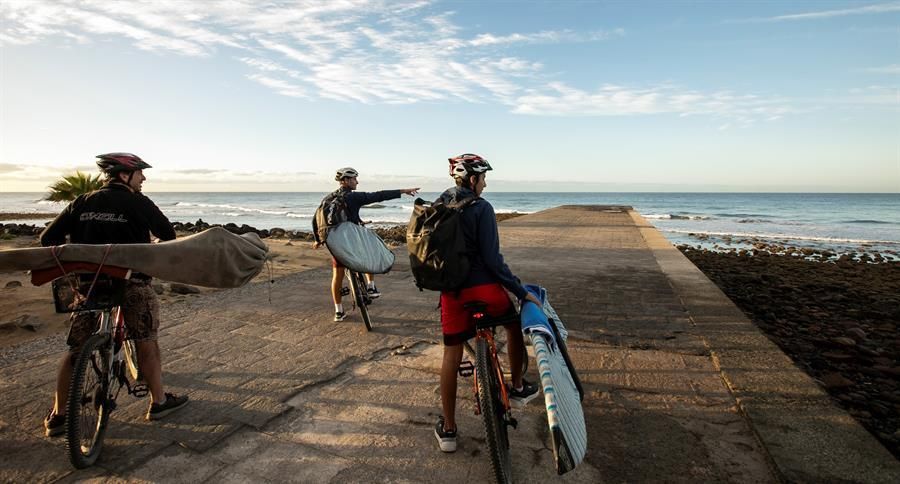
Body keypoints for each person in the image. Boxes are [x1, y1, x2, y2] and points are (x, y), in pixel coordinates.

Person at [40, 152, 188, 436]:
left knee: (76, 350)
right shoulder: (138, 202)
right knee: (146, 340)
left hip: (89, 285)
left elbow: (48, 240)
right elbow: (168, 235)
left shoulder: (83, 201)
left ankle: (59, 415)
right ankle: (158, 402)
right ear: (124, 175)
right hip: (131, 283)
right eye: (140, 173)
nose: (143, 178)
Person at [433, 153, 542, 453]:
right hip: (485, 289)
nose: (485, 183)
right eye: (483, 178)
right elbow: (494, 261)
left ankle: (450, 431)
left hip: (452, 294)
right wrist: (520, 291)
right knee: (512, 323)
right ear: (472, 179)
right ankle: (518, 386)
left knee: (450, 355)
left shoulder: (438, 206)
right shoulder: (482, 208)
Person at [312, 167, 419, 321]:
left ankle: (338, 311)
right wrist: (403, 191)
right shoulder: (353, 197)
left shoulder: (328, 199)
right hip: (353, 242)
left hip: (337, 244)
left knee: (337, 275)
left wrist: (317, 239)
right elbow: (379, 195)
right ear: (347, 181)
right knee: (371, 252)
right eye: (355, 179)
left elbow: (315, 219)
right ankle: (371, 286)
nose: (357, 181)